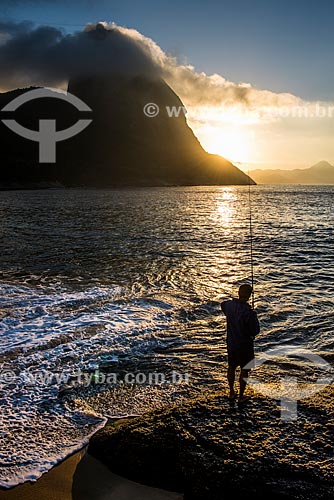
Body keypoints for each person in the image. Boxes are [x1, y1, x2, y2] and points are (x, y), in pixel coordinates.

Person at [221, 284, 260, 403]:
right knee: (245, 369)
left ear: (238, 292)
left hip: (231, 343)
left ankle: (232, 392)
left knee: (231, 367)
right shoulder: (249, 312)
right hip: (245, 345)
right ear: (249, 296)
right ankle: (241, 396)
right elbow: (255, 331)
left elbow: (222, 304)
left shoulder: (229, 306)